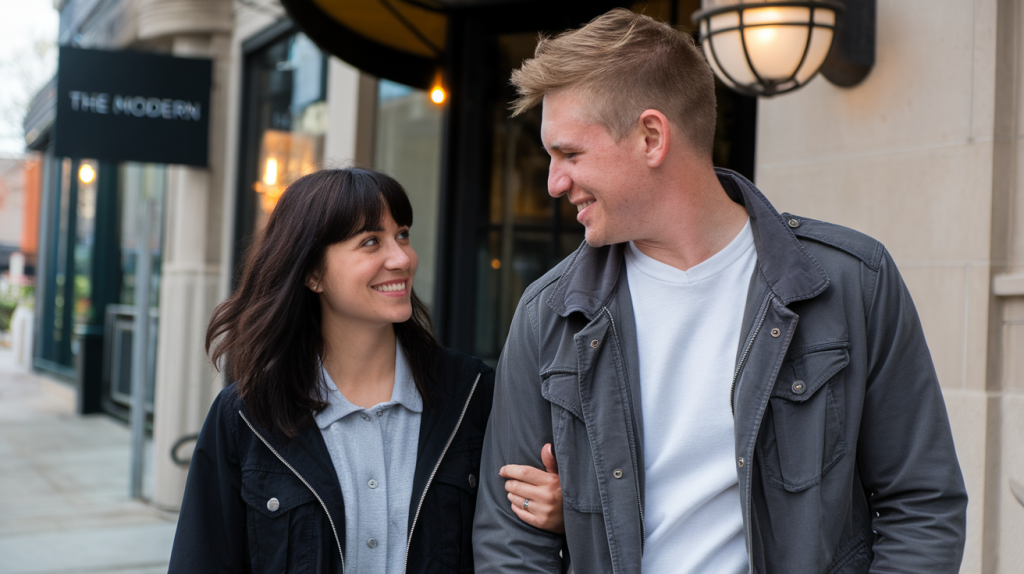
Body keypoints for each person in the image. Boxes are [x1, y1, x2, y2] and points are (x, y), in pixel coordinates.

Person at [472, 8, 968, 574]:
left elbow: (921, 504)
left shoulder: (852, 281)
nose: (554, 183)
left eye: (570, 154)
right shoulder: (549, 314)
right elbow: (509, 543)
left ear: (651, 136)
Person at [168, 168, 563, 573]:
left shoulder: (471, 394)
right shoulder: (247, 418)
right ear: (312, 273)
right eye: (371, 241)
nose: (402, 258)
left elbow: (518, 541)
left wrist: (565, 515)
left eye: (403, 234)